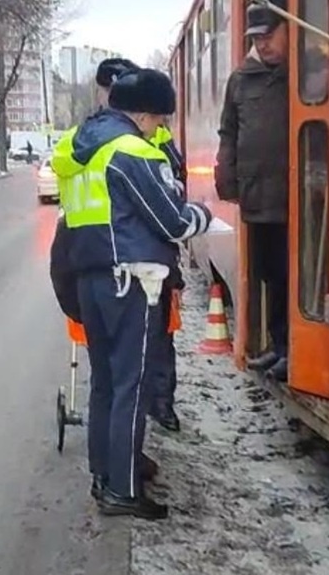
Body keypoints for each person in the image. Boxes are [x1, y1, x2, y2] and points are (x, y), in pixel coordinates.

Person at [56, 68, 213, 520]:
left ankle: (103, 476)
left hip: (90, 278)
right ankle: (124, 491)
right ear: (143, 115)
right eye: (160, 120)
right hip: (132, 279)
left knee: (105, 382)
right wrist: (201, 215)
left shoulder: (78, 149)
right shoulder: (130, 152)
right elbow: (172, 222)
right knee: (132, 385)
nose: (161, 129)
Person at [215, 3, 291, 382]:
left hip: (297, 199)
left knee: (294, 274)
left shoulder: (305, 74)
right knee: (271, 274)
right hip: (259, 195)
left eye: (268, 36)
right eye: (256, 39)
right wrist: (226, 178)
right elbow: (228, 131)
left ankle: (294, 349)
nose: (263, 45)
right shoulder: (243, 80)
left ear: (287, 30)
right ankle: (279, 345)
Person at [146, 124, 185, 432]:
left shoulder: (159, 136)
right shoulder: (156, 139)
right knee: (158, 336)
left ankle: (159, 404)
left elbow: (177, 182)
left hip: (150, 258)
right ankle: (159, 404)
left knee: (159, 334)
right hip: (148, 256)